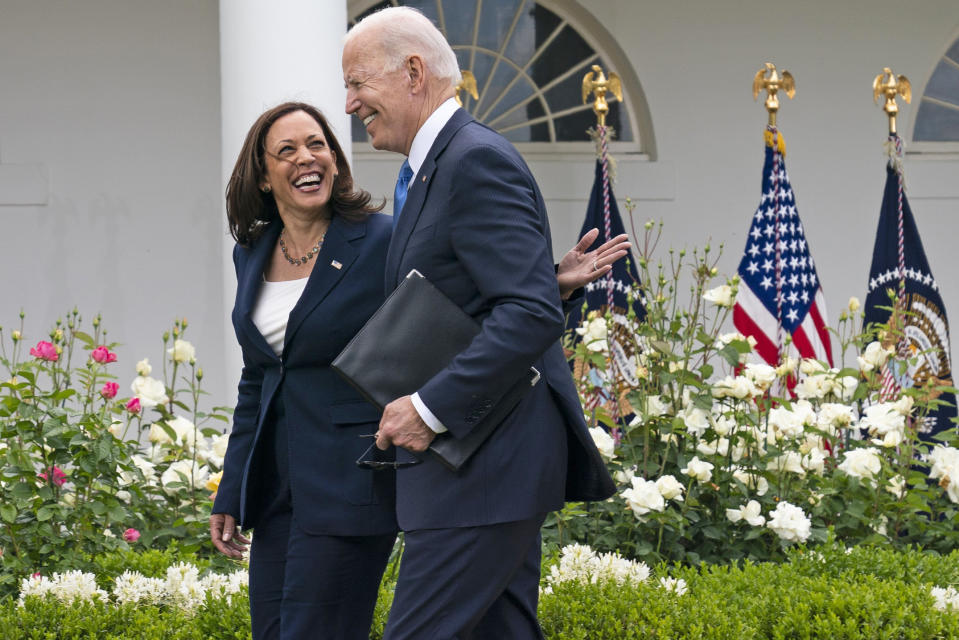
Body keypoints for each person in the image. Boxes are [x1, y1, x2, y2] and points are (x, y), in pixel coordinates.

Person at [209, 102, 628, 639]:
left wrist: (550, 287)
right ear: (263, 176)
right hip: (275, 490)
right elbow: (258, 378)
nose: (305, 158)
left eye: (317, 145)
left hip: (349, 481)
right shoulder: (252, 253)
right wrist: (233, 488)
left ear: (336, 161)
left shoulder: (381, 238)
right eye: (286, 151)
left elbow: (453, 318)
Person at [343, 7, 618, 639]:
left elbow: (527, 314)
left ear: (414, 72)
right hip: (480, 468)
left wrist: (429, 408)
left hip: (483, 467)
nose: (351, 101)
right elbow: (497, 299)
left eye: (359, 82)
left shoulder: (472, 161)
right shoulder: (436, 166)